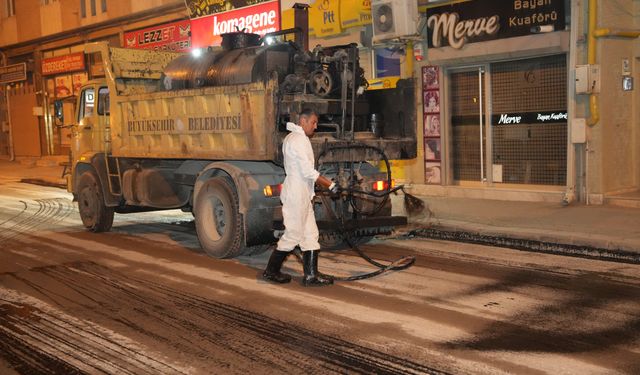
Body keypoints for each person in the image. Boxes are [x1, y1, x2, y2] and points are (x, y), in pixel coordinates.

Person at [262, 108, 337, 287]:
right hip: (296, 193)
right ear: (303, 121)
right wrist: (331, 185)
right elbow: (307, 171)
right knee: (293, 234)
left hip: (303, 193)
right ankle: (271, 271)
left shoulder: (296, 138)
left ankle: (311, 275)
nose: (316, 126)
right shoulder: (298, 140)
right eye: (313, 122)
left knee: (310, 233)